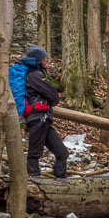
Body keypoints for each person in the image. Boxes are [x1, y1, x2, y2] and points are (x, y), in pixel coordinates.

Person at [20, 46, 69, 179]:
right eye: (44, 57)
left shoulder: (34, 74)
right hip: (38, 118)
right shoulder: (36, 75)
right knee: (34, 153)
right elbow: (53, 95)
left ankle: (61, 181)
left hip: (43, 119)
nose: (46, 60)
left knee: (62, 153)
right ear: (38, 59)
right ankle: (33, 182)